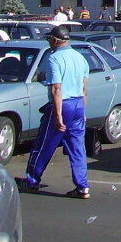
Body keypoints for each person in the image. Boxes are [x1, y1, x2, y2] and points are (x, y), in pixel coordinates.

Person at [20, 25, 90, 198]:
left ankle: (32, 179)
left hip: (63, 104)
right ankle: (82, 186)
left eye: (50, 39)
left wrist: (58, 116)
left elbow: (56, 89)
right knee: (77, 147)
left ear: (55, 40)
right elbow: (84, 88)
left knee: (44, 144)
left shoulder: (54, 59)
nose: (49, 42)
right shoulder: (80, 57)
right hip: (78, 104)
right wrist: (83, 111)